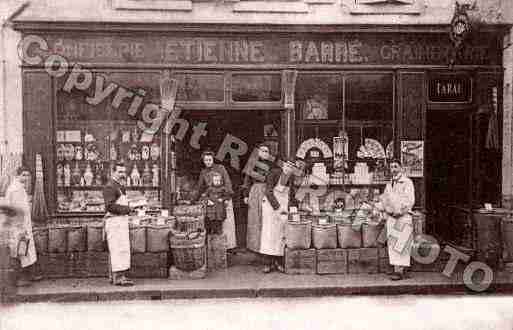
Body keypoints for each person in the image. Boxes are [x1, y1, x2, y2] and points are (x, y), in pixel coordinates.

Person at [243, 144, 297, 273]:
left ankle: (277, 261)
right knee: (267, 233)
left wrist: (292, 207)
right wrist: (277, 207)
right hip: (270, 203)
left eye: (267, 151)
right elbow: (268, 191)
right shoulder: (271, 171)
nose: (265, 153)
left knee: (280, 234)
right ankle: (267, 261)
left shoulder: (280, 172)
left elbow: (291, 194)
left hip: (280, 205)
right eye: (262, 151)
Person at [1, 166, 41, 287]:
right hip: (19, 226)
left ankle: (27, 276)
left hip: (22, 224)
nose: (26, 178)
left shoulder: (19, 188)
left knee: (23, 250)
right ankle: (20, 278)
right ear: (17, 175)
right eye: (23, 175)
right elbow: (17, 210)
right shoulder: (16, 189)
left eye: (28, 175)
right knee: (20, 251)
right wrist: (21, 227)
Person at [193, 151, 237, 251]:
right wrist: (193, 200)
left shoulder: (221, 168)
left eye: (210, 160)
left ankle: (228, 247)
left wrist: (226, 198)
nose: (208, 162)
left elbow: (227, 183)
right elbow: (200, 188)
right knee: (214, 221)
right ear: (203, 161)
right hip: (212, 200)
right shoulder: (203, 172)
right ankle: (216, 248)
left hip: (223, 198)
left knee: (227, 222)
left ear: (213, 159)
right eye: (206, 160)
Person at [381, 158, 415, 281]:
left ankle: (400, 271)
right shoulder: (389, 184)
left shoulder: (407, 182)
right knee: (394, 243)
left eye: (396, 167)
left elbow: (409, 200)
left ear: (401, 168)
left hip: (403, 216)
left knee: (402, 243)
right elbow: (384, 199)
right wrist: (386, 209)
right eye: (391, 167)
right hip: (392, 217)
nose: (393, 169)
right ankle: (397, 269)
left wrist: (399, 212)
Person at [102, 162, 135, 286]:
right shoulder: (110, 186)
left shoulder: (119, 186)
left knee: (119, 248)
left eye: (123, 172)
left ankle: (115, 276)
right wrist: (128, 209)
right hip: (114, 222)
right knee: (117, 249)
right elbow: (110, 206)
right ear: (113, 172)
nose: (122, 174)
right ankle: (118, 277)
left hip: (120, 221)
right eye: (119, 172)